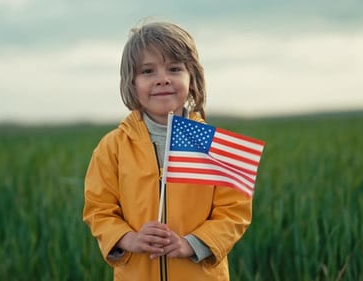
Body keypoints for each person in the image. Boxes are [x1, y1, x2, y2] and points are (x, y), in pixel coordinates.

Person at [83, 20, 252, 281]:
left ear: (192, 78)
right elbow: (99, 210)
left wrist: (192, 244)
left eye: (174, 69)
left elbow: (233, 213)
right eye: (148, 71)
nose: (163, 79)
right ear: (131, 83)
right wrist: (131, 239)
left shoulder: (212, 145)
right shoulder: (112, 148)